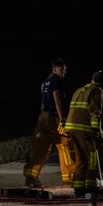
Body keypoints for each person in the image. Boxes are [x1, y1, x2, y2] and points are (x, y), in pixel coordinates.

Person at [64, 69, 103, 197]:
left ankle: (79, 187)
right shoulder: (97, 91)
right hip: (86, 130)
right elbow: (95, 113)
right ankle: (93, 186)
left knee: (81, 158)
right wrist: (96, 132)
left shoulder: (80, 90)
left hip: (72, 129)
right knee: (95, 158)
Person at [23, 58, 75, 189]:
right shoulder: (57, 81)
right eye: (62, 69)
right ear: (54, 69)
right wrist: (63, 119)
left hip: (42, 117)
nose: (64, 72)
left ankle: (31, 175)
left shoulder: (45, 81)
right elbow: (57, 100)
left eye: (65, 69)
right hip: (53, 117)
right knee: (64, 145)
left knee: (41, 147)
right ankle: (70, 178)